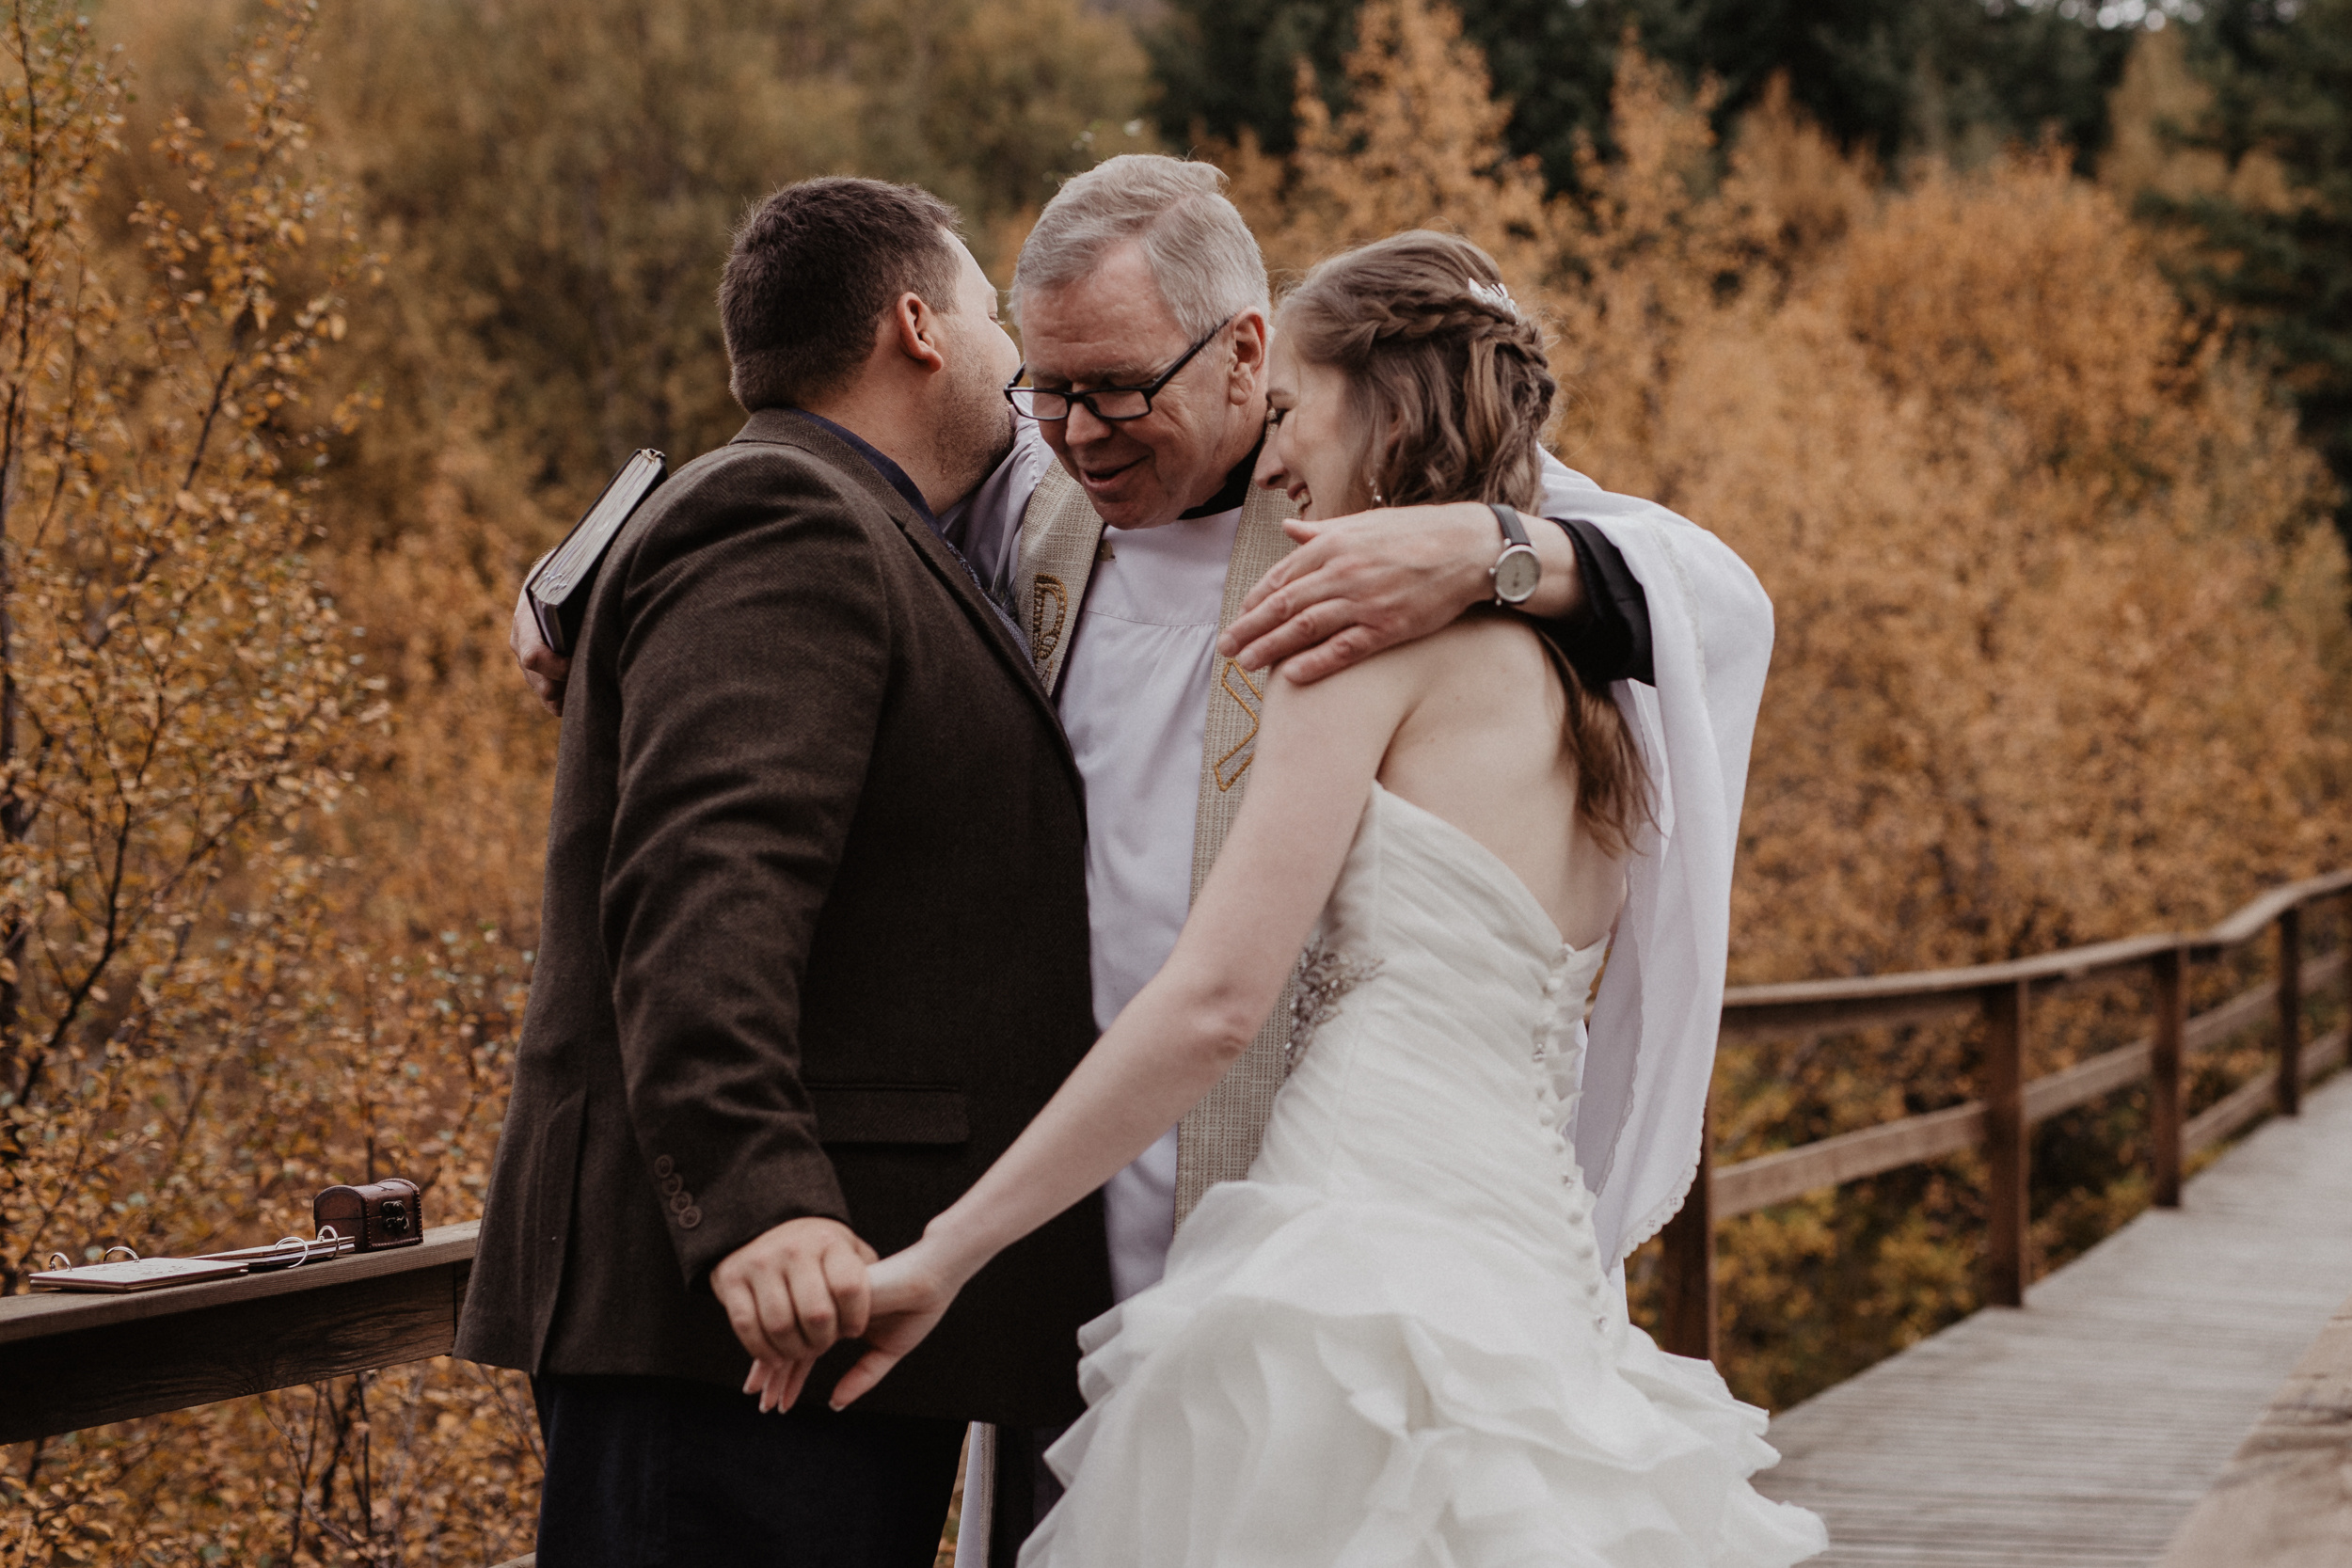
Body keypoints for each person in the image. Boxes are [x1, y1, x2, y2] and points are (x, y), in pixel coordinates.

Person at [788, 231, 1831, 1566]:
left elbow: (1219, 1003)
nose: (1274, 456)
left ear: (1369, 400)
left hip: (1346, 1252)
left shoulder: (1361, 635)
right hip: (1522, 1275)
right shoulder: (1598, 695)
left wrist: (946, 1251)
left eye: (1289, 406)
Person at [454, 178, 1116, 1567]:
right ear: (920, 325)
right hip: (748, 1317)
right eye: (1000, 324)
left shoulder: (844, 520)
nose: (1022, 381)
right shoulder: (788, 517)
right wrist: (757, 1198)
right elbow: (706, 882)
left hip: (823, 1318)